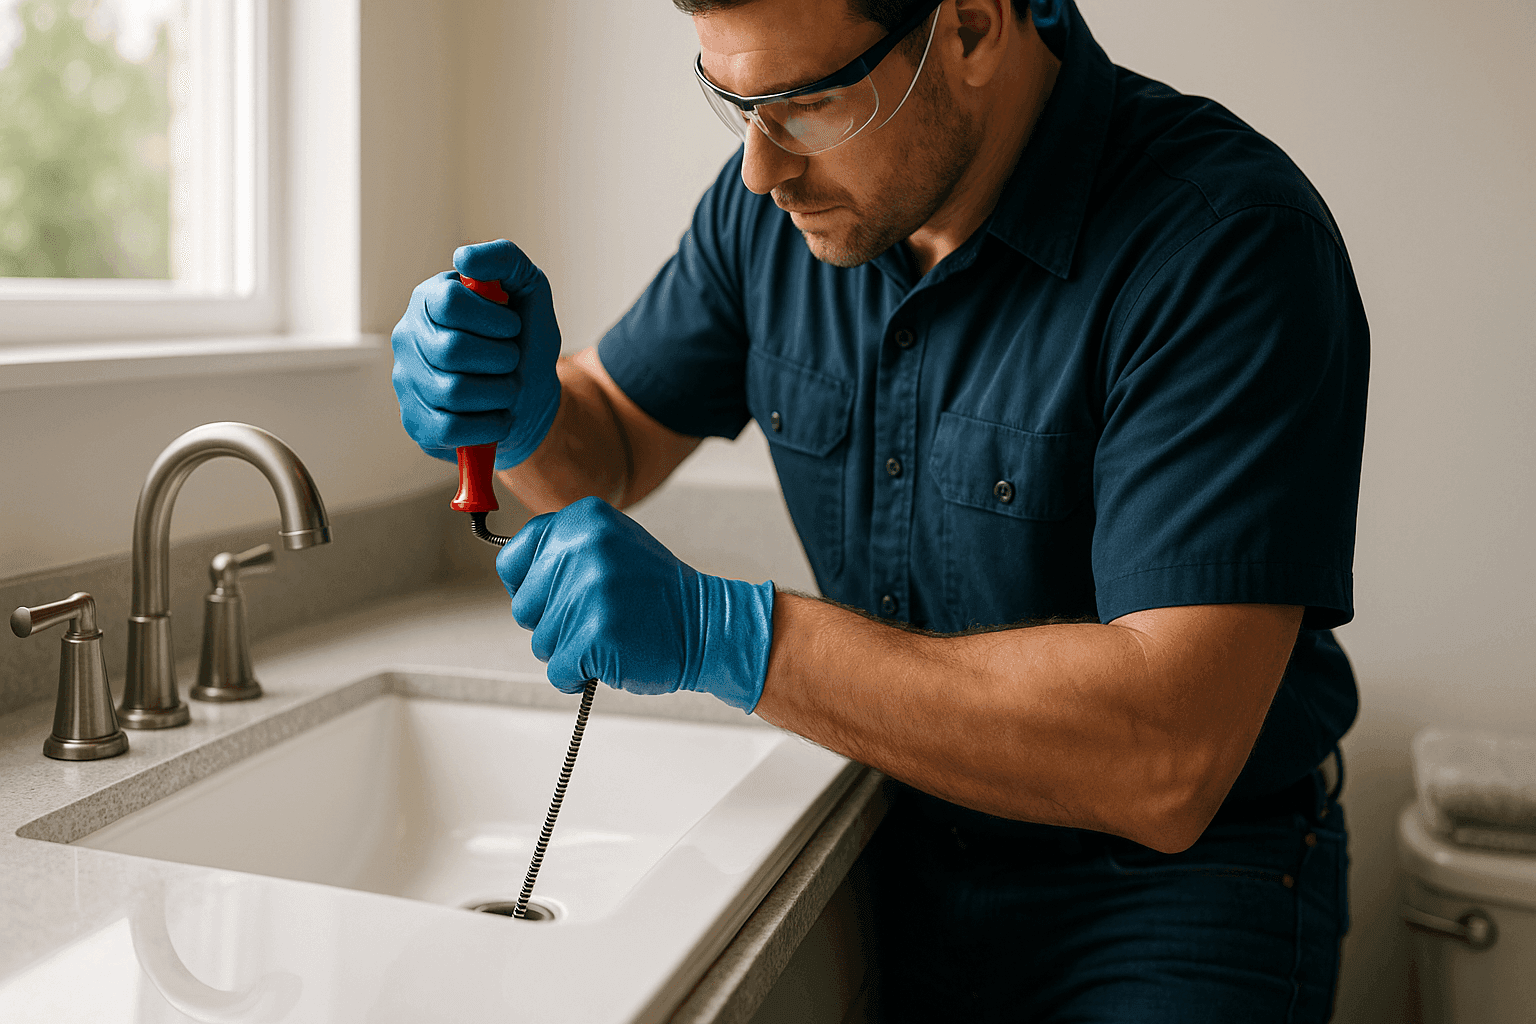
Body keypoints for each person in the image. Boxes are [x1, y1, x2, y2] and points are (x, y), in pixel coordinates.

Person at [389, 0, 1368, 1019]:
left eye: (807, 103)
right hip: (900, 849)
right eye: (735, 102)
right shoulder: (771, 212)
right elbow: (615, 443)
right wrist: (522, 406)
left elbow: (1167, 755)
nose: (762, 169)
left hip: (1170, 902)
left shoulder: (1226, 243)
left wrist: (735, 636)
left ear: (975, 26)